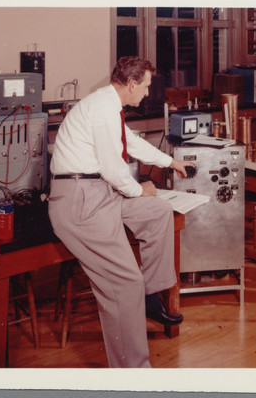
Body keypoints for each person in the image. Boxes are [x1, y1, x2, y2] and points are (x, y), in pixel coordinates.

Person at [48, 56, 193, 367]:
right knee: (126, 283)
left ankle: (151, 298)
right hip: (80, 199)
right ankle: (133, 373)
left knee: (157, 212)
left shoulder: (108, 105)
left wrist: (171, 162)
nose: (147, 93)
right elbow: (114, 168)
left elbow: (131, 143)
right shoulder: (102, 108)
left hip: (99, 193)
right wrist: (140, 189)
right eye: (145, 87)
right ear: (130, 84)